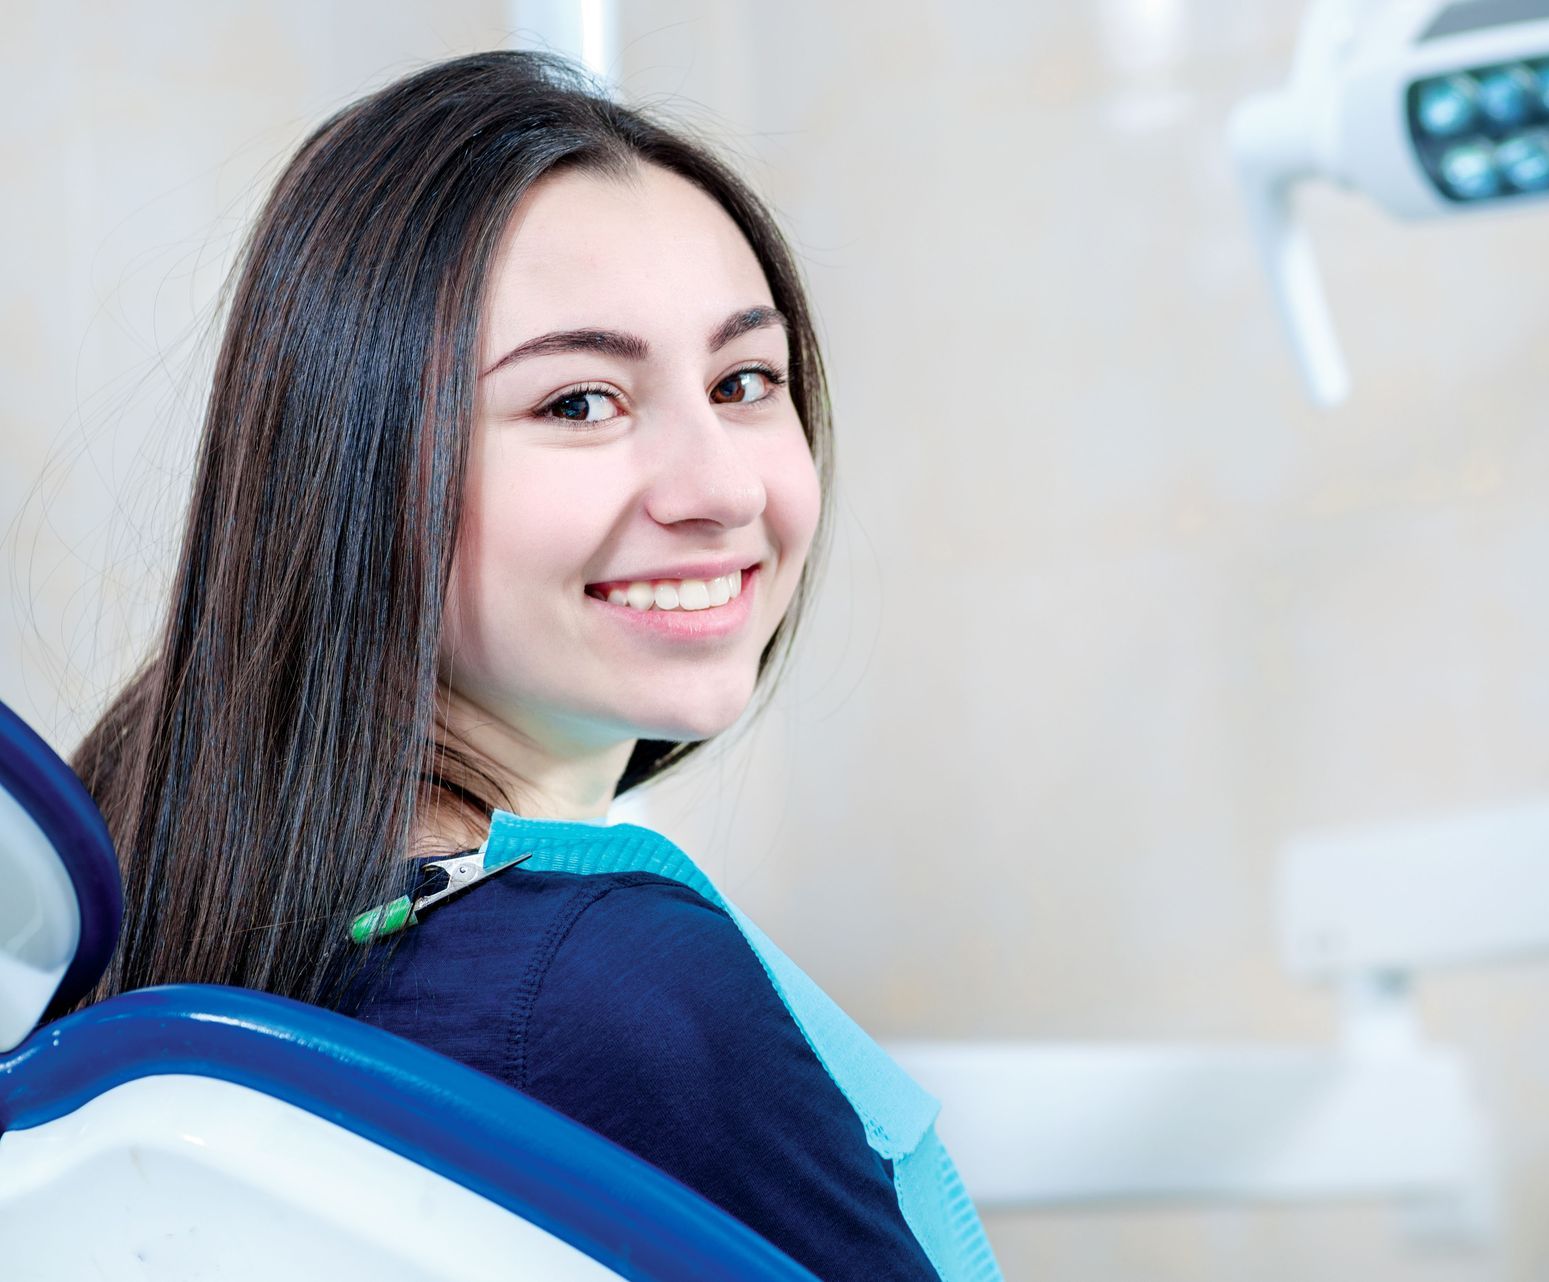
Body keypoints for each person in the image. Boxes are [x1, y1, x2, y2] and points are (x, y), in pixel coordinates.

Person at [66, 48, 1000, 1282]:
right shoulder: (619, 990)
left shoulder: (176, 909)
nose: (719, 486)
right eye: (579, 402)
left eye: (743, 380)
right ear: (359, 476)